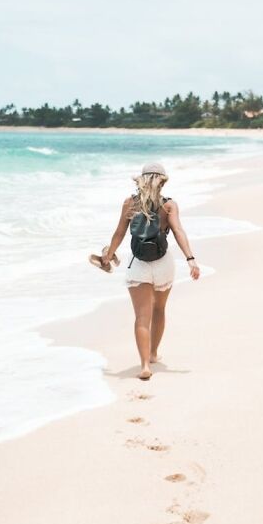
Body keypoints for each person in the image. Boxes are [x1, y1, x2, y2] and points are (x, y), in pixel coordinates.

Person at [101, 162, 200, 380]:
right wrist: (190, 259)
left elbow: (119, 234)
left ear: (141, 180)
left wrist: (108, 256)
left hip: (138, 265)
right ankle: (154, 353)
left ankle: (145, 365)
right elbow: (178, 231)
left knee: (141, 317)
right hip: (163, 263)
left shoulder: (130, 203)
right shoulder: (169, 205)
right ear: (162, 181)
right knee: (159, 310)